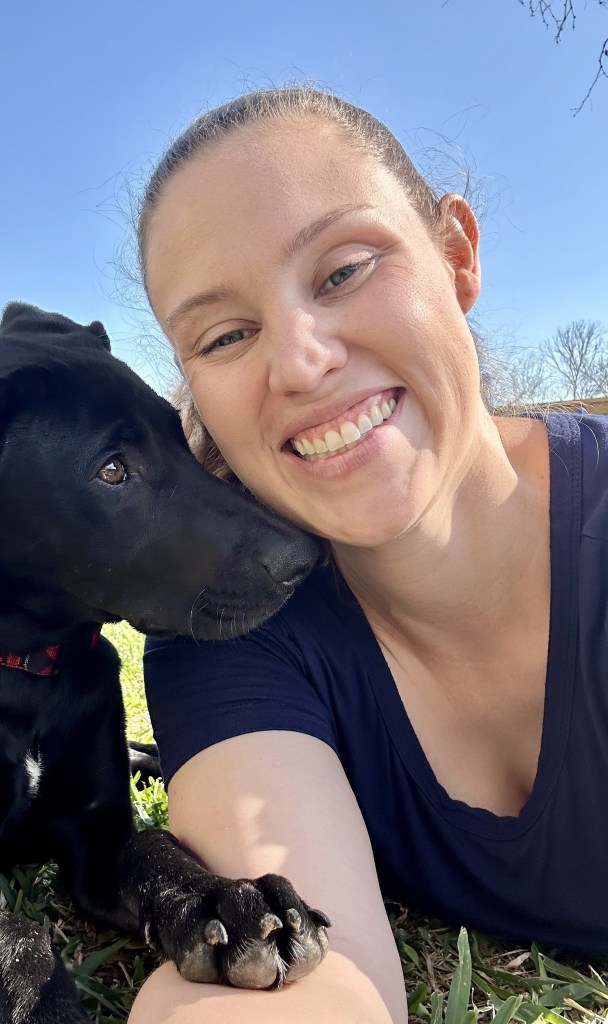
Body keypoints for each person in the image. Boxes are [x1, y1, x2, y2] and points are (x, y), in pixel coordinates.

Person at [125, 87, 608, 1024]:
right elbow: (303, 972)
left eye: (343, 270)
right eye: (225, 336)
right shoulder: (235, 632)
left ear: (457, 255)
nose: (301, 362)